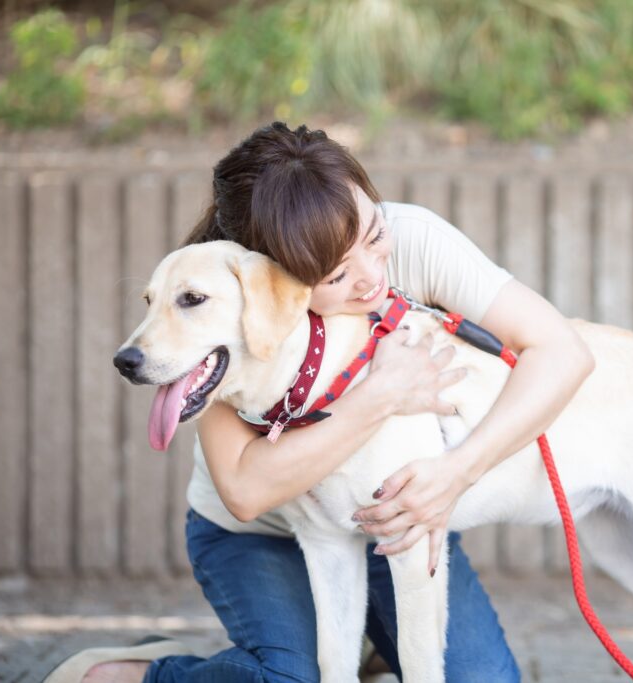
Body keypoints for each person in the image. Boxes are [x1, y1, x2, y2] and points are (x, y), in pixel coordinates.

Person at [51, 122, 594, 683]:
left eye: (375, 234)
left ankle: (370, 644)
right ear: (273, 274)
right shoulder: (223, 301)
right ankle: (130, 674)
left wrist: (457, 473)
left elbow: (562, 352)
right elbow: (246, 493)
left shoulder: (412, 238)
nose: (372, 276)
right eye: (335, 273)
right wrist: (379, 396)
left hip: (384, 515)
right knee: (290, 680)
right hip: (261, 534)